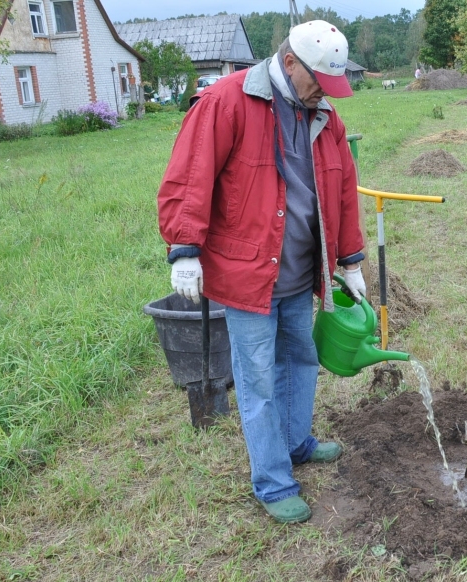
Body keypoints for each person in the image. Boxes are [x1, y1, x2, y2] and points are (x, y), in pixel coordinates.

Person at [158, 20, 367, 523]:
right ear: (289, 62)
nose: (322, 92)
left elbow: (342, 188)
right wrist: (185, 248)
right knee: (258, 382)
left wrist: (352, 260)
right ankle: (273, 483)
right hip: (247, 273)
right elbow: (190, 175)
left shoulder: (324, 116)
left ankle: (295, 443)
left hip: (300, 272)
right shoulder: (227, 103)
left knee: (299, 361)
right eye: (317, 79)